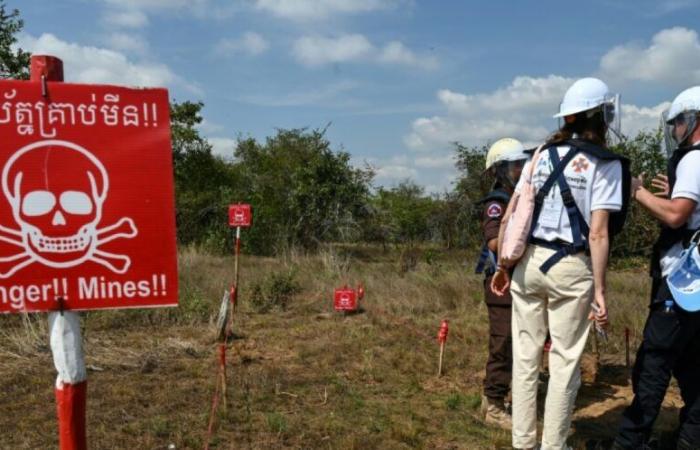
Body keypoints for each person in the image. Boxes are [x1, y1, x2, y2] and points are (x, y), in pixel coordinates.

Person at [491, 77, 629, 450]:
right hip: (572, 266)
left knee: (525, 358)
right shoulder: (606, 164)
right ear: (601, 116)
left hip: (529, 264)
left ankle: (523, 444)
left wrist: (505, 266)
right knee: (565, 363)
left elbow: (515, 216)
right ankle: (553, 446)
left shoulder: (539, 155)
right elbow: (599, 234)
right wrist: (601, 290)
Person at [613, 86, 700, 450]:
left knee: (653, 364)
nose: (676, 129)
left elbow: (678, 216)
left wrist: (638, 192)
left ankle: (630, 443)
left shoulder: (694, 159)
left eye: (679, 121)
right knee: (695, 366)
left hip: (683, 284)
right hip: (695, 287)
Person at [476, 137, 528, 429]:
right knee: (504, 342)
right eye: (514, 165)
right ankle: (494, 405)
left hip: (516, 280)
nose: (520, 169)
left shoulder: (520, 196)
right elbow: (495, 242)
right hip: (500, 283)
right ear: (500, 170)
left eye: (522, 164)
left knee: (518, 342)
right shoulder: (498, 202)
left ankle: (494, 398)